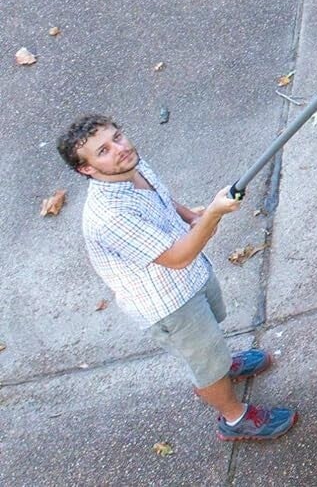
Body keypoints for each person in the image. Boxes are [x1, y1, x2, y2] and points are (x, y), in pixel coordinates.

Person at [57, 114, 298, 444]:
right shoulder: (110, 216)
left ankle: (223, 365)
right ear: (86, 169)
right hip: (169, 304)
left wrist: (190, 217)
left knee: (211, 339)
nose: (119, 148)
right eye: (103, 151)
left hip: (191, 278)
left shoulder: (129, 166)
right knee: (205, 366)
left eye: (117, 137)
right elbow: (177, 258)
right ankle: (235, 418)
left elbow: (161, 197)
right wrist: (212, 215)